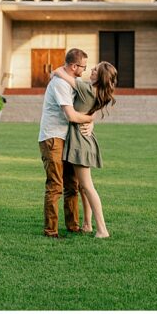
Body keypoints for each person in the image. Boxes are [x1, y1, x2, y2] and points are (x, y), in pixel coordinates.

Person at [52, 60, 117, 238]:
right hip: (83, 140)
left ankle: (102, 229)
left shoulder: (86, 88)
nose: (91, 70)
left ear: (100, 76)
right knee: (82, 187)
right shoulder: (96, 92)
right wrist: (91, 120)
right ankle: (87, 224)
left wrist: (63, 67)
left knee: (87, 187)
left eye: (95, 69)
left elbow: (58, 71)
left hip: (81, 143)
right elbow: (90, 115)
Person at [37, 47, 94, 237]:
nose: (85, 70)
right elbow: (70, 115)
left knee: (73, 185)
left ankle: (73, 225)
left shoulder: (72, 80)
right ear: (73, 66)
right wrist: (90, 120)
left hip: (67, 138)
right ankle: (50, 230)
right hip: (52, 137)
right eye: (83, 67)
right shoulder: (59, 84)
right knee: (55, 185)